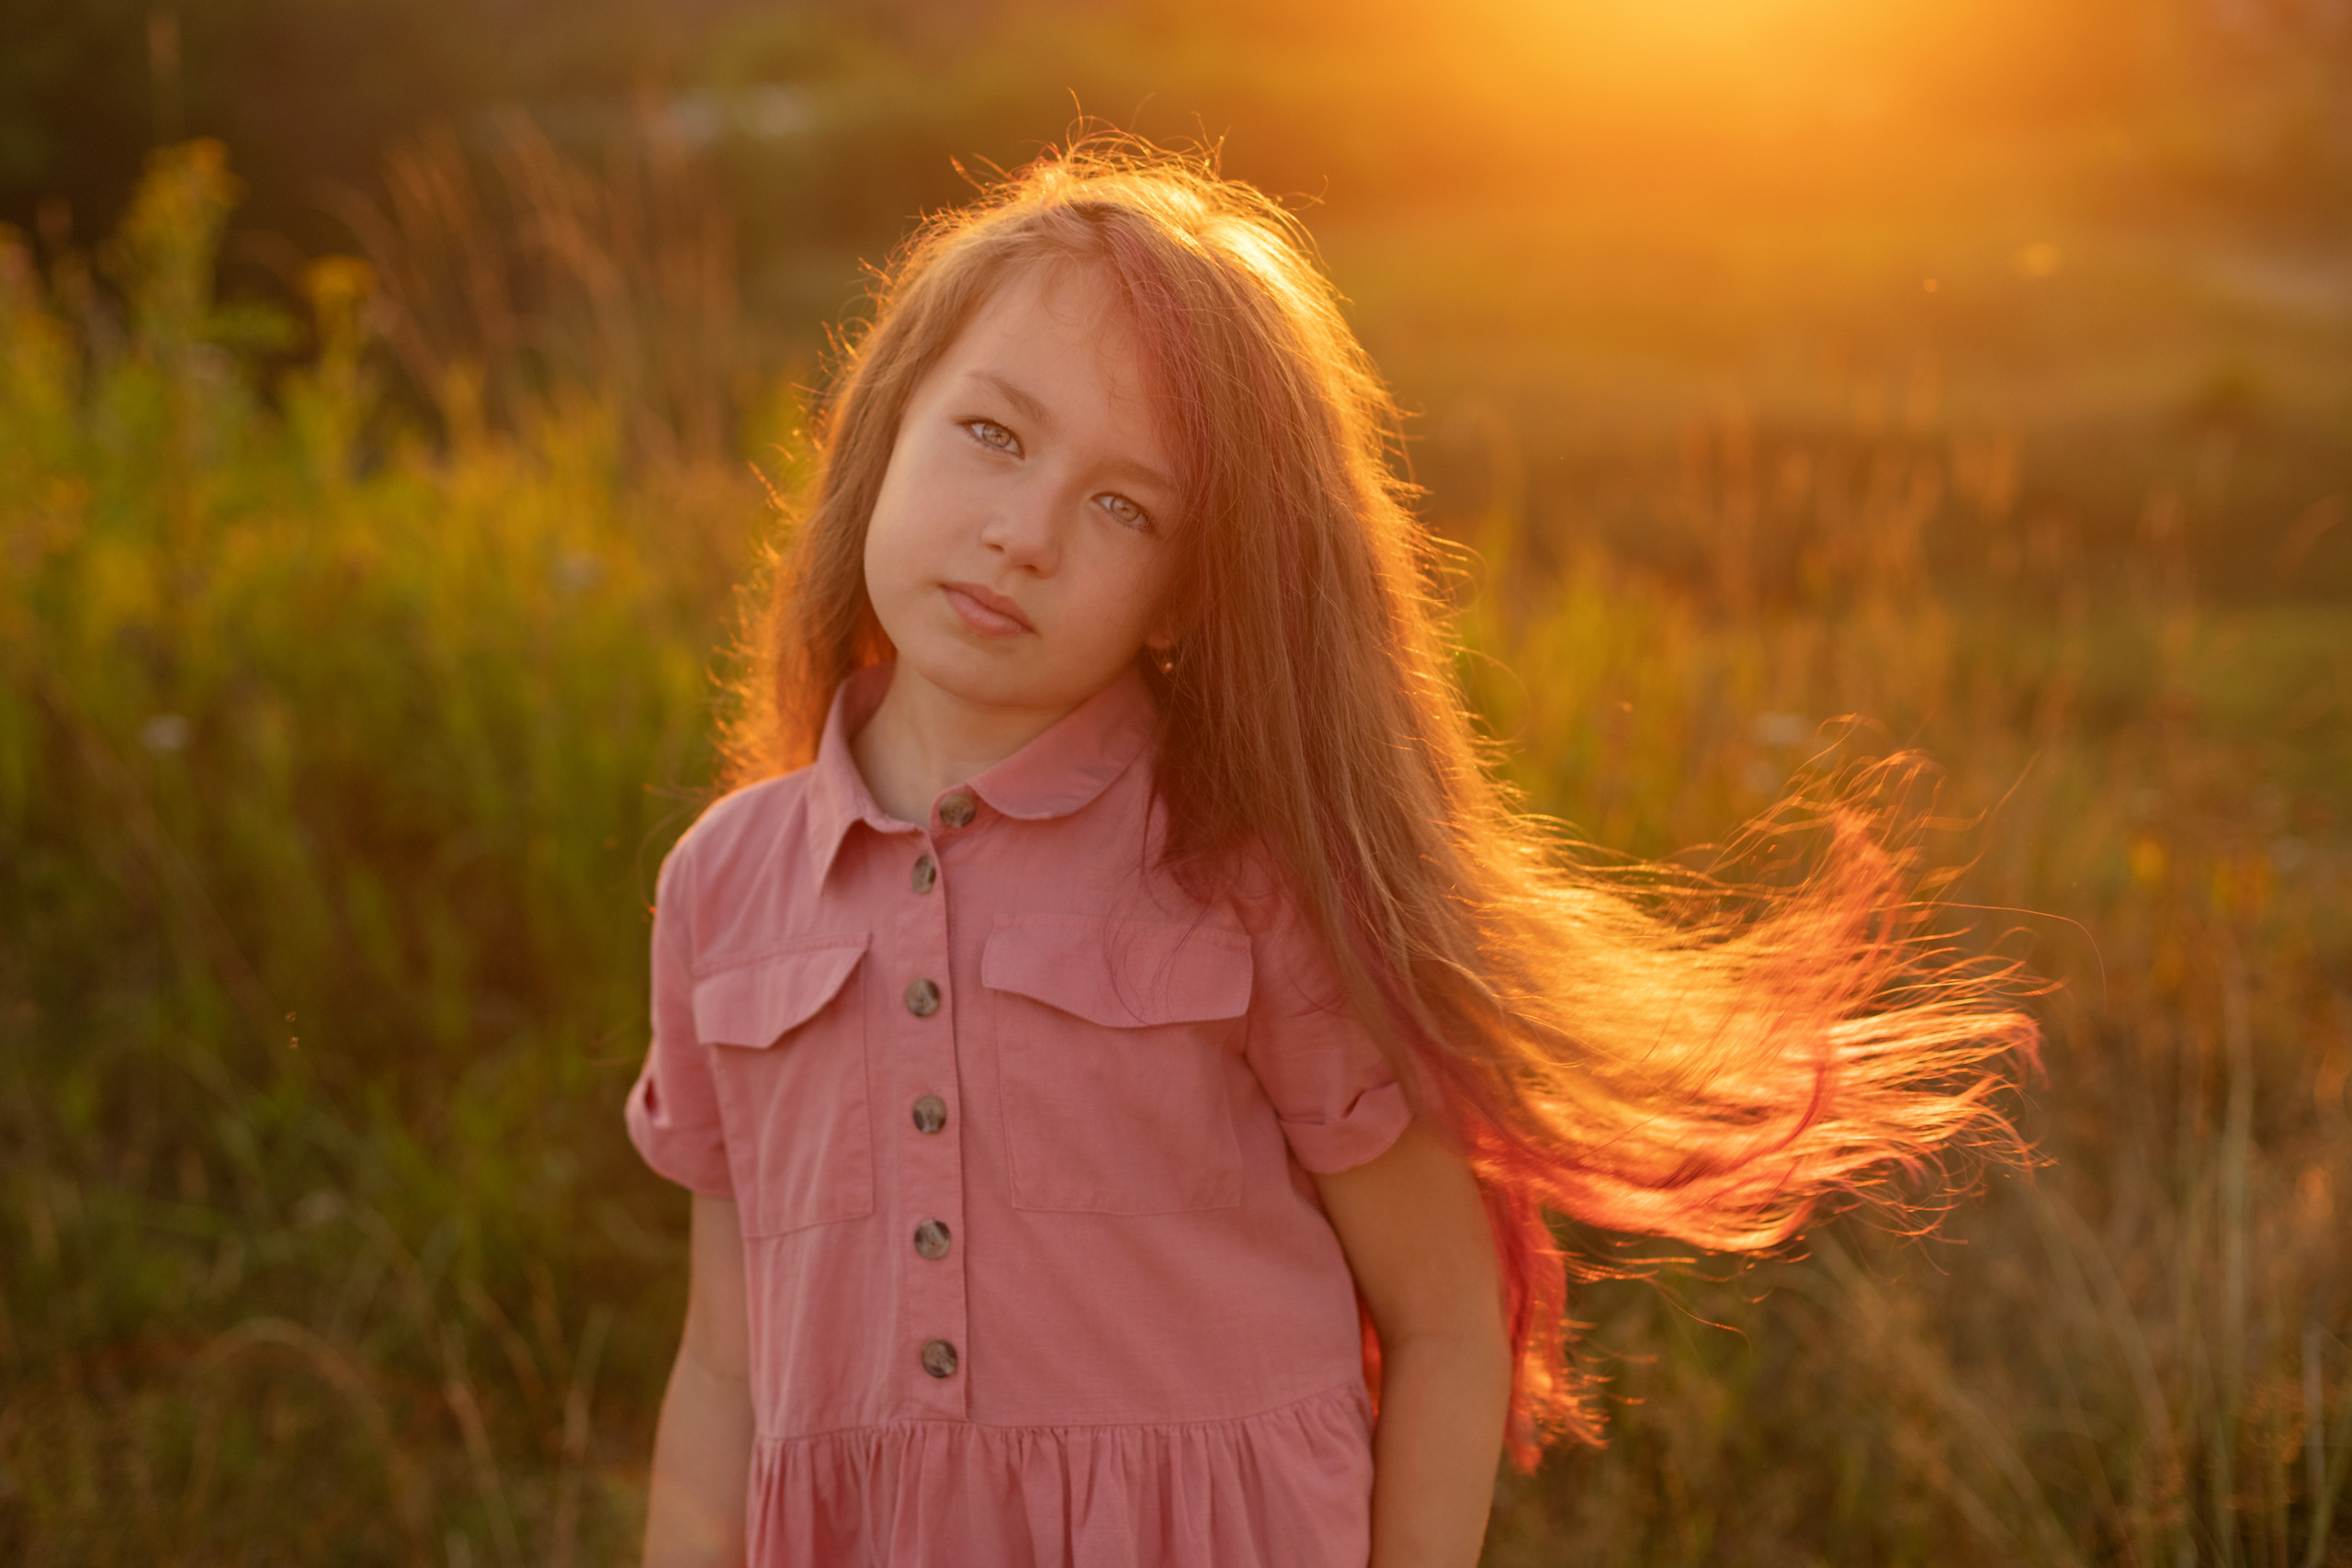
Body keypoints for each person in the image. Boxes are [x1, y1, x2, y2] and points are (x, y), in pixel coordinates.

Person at [624, 137, 2034, 1568]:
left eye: (1125, 508)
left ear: (1184, 592)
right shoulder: (723, 892)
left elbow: (1441, 1328)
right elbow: (729, 1370)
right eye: (991, 435)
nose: (1025, 535)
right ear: (880, 430)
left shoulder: (1245, 880)